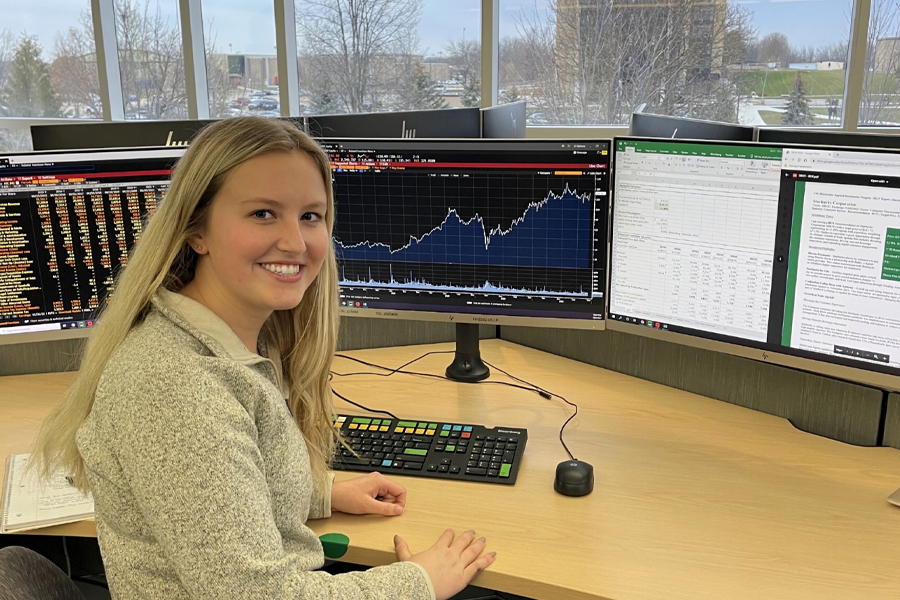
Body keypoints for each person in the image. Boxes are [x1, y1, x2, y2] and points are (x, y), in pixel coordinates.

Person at [31, 116, 495, 600]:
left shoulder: (240, 339)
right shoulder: (173, 386)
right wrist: (417, 583)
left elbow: (215, 497)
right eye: (263, 214)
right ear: (197, 231)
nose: (296, 242)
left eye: (311, 216)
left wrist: (319, 492)